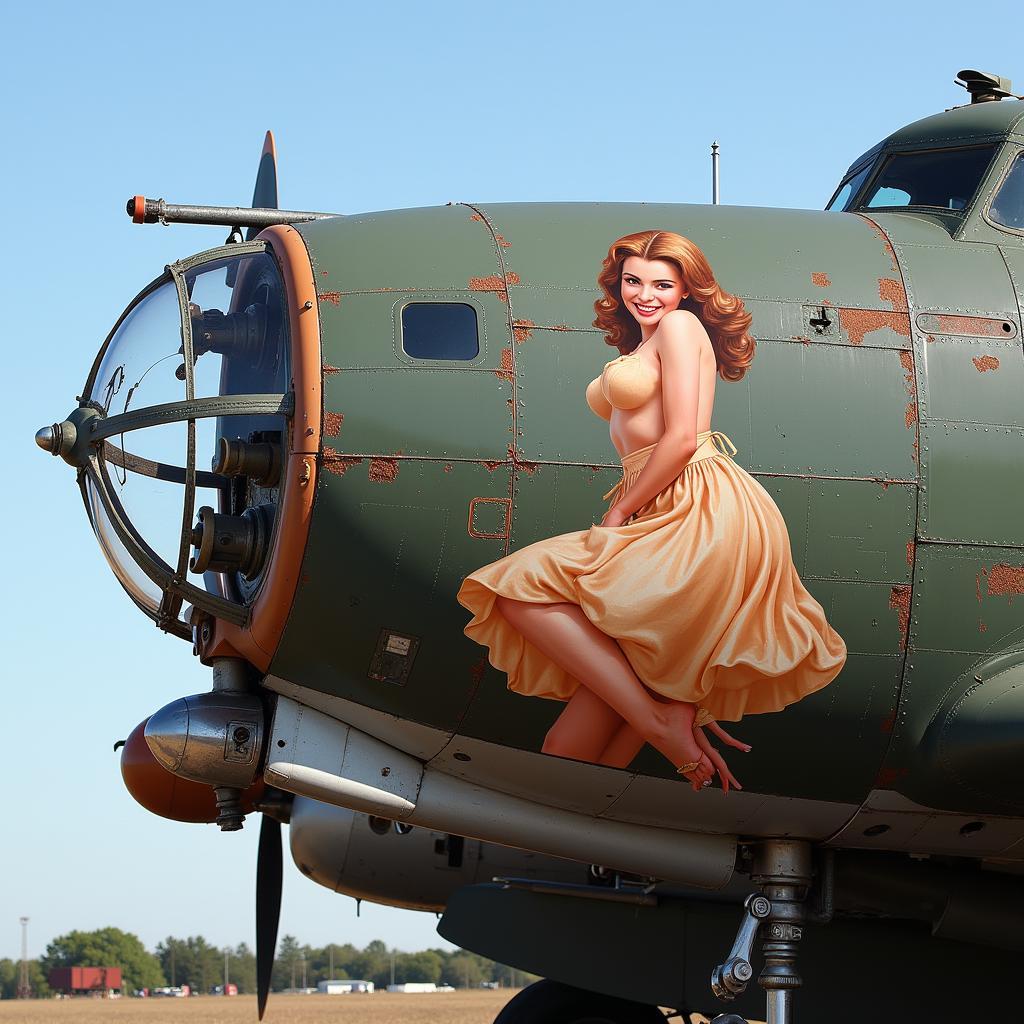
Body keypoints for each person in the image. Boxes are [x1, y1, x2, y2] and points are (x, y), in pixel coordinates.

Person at [457, 230, 847, 791]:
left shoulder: (681, 327)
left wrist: (619, 515)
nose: (645, 294)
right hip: (665, 503)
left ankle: (663, 722)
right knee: (567, 752)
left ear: (687, 289)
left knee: (518, 589)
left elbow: (683, 438)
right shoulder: (645, 343)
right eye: (633, 281)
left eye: (662, 284)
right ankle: (659, 729)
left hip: (699, 506)